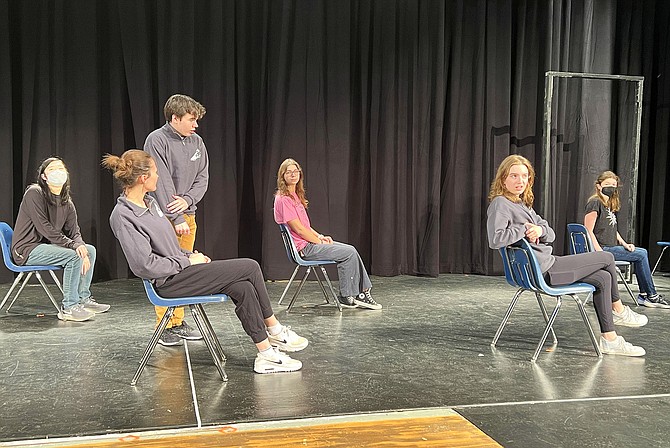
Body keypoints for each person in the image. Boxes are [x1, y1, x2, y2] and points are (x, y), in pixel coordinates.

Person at [103, 150, 307, 373]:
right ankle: (274, 329)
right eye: (155, 172)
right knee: (250, 266)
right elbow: (145, 266)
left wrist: (188, 256)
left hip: (180, 270)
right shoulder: (123, 216)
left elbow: (167, 247)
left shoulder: (150, 203)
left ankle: (266, 353)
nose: (158, 177)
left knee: (243, 287)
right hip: (167, 283)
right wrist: (188, 263)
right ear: (143, 178)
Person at [487, 155, 647, 356]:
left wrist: (539, 230)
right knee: (607, 258)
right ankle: (619, 311)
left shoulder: (522, 204)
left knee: (604, 277)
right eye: (514, 176)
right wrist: (524, 228)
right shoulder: (500, 203)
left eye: (525, 176)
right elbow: (496, 239)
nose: (520, 181)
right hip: (544, 272)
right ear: (503, 179)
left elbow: (550, 234)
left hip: (549, 264)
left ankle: (610, 340)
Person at [143, 94, 209, 345]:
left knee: (184, 269)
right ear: (175, 118)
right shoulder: (157, 140)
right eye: (191, 120)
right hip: (165, 217)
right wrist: (176, 214)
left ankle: (178, 322)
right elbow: (160, 181)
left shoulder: (197, 142)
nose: (196, 125)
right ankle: (165, 325)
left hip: (188, 214)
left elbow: (203, 178)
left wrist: (188, 201)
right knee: (164, 269)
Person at [273, 158, 381, 310]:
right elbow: (299, 230)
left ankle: (361, 293)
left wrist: (319, 236)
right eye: (288, 172)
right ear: (282, 176)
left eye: (295, 171)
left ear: (300, 174)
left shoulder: (295, 196)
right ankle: (348, 296)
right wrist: (318, 242)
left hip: (310, 243)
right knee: (349, 253)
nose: (293, 175)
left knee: (351, 250)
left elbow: (306, 227)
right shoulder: (283, 199)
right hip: (305, 249)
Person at [11, 157, 110, 322]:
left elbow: (75, 231)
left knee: (89, 250)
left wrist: (80, 246)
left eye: (61, 168)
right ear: (44, 176)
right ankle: (69, 307)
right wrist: (73, 246)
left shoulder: (67, 201)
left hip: (47, 247)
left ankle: (83, 299)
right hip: (26, 249)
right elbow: (44, 227)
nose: (58, 172)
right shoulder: (34, 192)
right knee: (73, 256)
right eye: (52, 169)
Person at [584, 170, 668, 308]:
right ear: (599, 186)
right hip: (603, 248)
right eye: (607, 184)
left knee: (640, 252)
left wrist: (625, 244)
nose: (611, 187)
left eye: (613, 184)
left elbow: (612, 229)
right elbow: (588, 231)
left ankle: (645, 295)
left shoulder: (608, 204)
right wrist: (599, 252)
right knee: (641, 254)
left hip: (611, 246)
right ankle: (650, 295)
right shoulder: (595, 203)